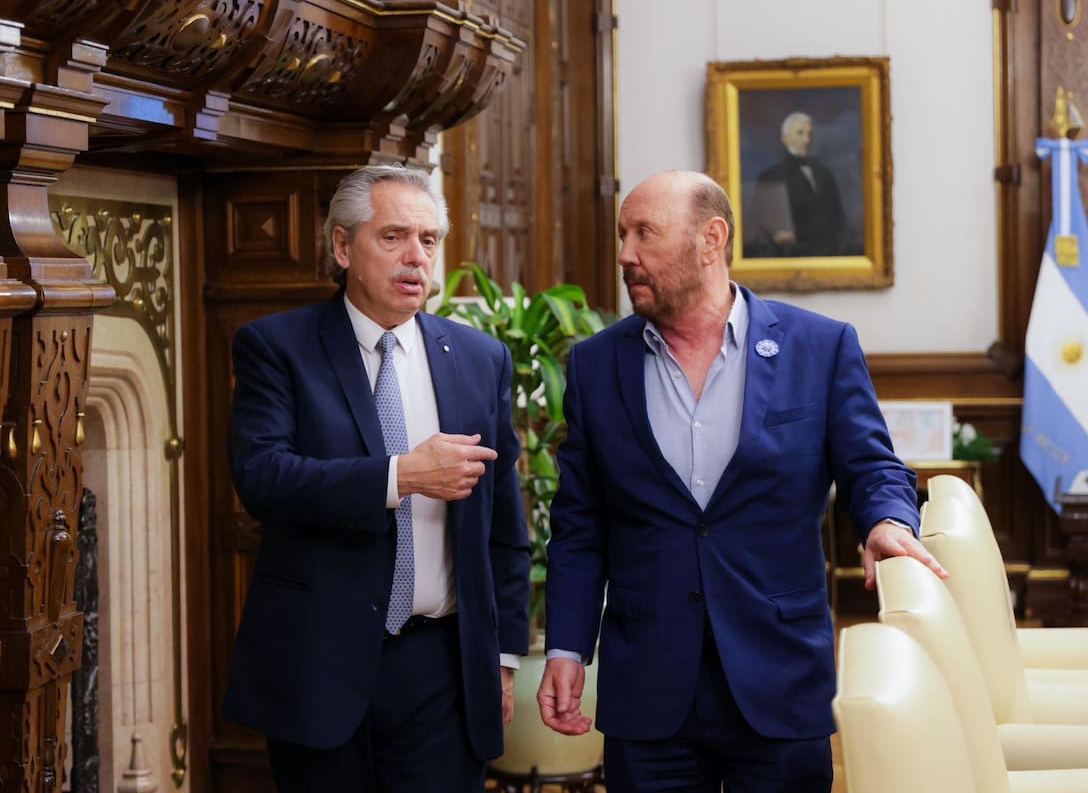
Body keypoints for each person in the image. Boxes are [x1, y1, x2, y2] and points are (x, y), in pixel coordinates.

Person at [536, 170, 946, 792]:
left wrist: (888, 519)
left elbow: (873, 466)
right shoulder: (596, 364)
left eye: (645, 233)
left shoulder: (820, 347)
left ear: (711, 239)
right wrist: (566, 647)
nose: (625, 254)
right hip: (648, 687)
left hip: (778, 678)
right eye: (623, 234)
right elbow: (578, 524)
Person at [223, 164, 530, 792]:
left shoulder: (480, 358)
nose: (415, 257)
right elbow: (263, 477)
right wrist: (401, 476)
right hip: (321, 662)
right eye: (393, 237)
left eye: (429, 240)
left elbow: (504, 522)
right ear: (343, 246)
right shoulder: (277, 347)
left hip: (443, 667)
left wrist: (502, 658)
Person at [743, 111, 848, 258]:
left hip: (826, 256)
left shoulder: (825, 175)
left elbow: (837, 219)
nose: (806, 140)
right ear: (785, 139)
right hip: (786, 257)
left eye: (810, 134)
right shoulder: (770, 176)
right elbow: (760, 225)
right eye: (800, 133)